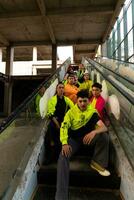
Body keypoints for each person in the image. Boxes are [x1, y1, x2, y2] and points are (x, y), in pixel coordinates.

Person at [55, 90, 110, 200]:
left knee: (104, 136)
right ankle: (61, 196)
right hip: (74, 141)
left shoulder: (92, 112)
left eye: (85, 101)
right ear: (77, 101)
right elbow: (64, 127)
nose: (83, 104)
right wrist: (64, 143)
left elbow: (104, 127)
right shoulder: (71, 112)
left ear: (88, 101)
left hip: (88, 139)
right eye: (80, 101)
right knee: (62, 157)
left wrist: (94, 132)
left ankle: (97, 162)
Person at [44, 82, 74, 164]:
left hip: (64, 121)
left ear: (64, 90)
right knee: (50, 137)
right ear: (56, 89)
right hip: (55, 121)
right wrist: (57, 124)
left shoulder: (67, 99)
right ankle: (49, 158)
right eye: (59, 88)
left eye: (62, 88)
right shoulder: (53, 100)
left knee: (66, 136)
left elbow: (73, 108)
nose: (61, 89)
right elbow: (50, 114)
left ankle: (63, 157)